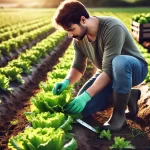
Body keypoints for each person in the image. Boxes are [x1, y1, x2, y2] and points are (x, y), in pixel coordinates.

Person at [52, 0, 148, 132]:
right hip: (108, 73)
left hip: (134, 69)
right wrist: (66, 82)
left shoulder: (112, 27)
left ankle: (119, 116)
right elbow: (78, 67)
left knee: (119, 62)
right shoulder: (79, 40)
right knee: (82, 110)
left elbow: (109, 69)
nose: (70, 35)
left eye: (71, 29)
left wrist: (86, 96)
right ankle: (129, 95)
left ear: (83, 20)